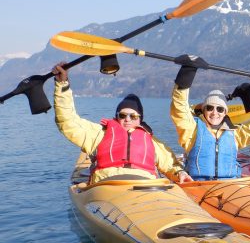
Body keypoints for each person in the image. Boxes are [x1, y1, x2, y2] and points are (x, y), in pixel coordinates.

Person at [51, 63, 190, 184]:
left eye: (133, 116)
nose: (127, 119)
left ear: (140, 119)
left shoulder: (152, 142)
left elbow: (170, 164)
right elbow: (68, 121)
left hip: (144, 185)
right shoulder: (99, 134)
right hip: (107, 184)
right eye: (122, 115)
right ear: (116, 116)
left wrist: (180, 173)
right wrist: (62, 83)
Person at [170, 57, 250, 180]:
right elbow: (179, 108)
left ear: (225, 112)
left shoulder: (235, 134)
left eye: (220, 109)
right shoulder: (192, 130)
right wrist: (188, 72)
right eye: (210, 108)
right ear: (204, 110)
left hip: (229, 185)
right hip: (198, 184)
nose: (215, 112)